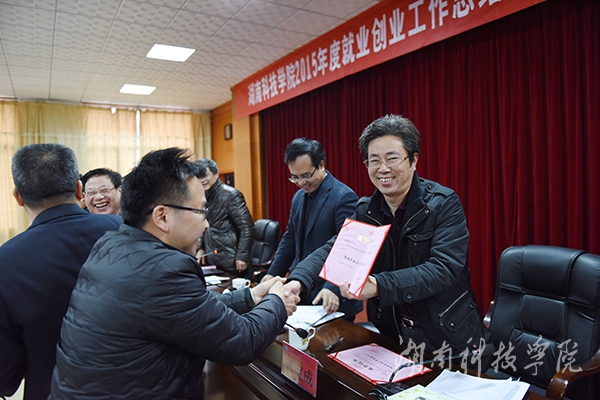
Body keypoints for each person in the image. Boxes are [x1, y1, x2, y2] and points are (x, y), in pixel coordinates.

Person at [50, 148, 298, 399]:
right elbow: (243, 341)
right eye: (200, 211)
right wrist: (277, 301)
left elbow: (190, 310)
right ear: (162, 216)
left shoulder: (111, 245)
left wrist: (250, 297)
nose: (207, 223)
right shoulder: (163, 270)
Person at [284, 115, 493, 366]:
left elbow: (443, 269)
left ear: (413, 160)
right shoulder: (367, 210)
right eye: (374, 161)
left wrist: (379, 285)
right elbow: (335, 248)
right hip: (393, 334)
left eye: (392, 158)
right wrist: (299, 280)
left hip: (448, 337)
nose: (382, 169)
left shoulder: (443, 204)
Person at [0, 143, 122, 400]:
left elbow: (5, 374)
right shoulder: (127, 230)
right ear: (79, 190)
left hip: (53, 391)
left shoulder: (6, 261)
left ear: (18, 197)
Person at [262, 138, 362, 321]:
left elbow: (349, 249)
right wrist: (272, 274)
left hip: (330, 295)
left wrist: (332, 287)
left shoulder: (344, 197)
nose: (301, 182)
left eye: (306, 175)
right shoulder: (298, 197)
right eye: (295, 177)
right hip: (303, 289)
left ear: (321, 165)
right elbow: (290, 239)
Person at [194, 158, 255, 278]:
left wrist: (242, 256)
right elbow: (204, 225)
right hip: (212, 260)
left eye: (205, 175)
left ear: (216, 174)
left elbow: (247, 227)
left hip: (232, 260)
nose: (202, 180)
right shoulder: (202, 196)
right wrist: (201, 248)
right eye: (198, 177)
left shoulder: (231, 195)